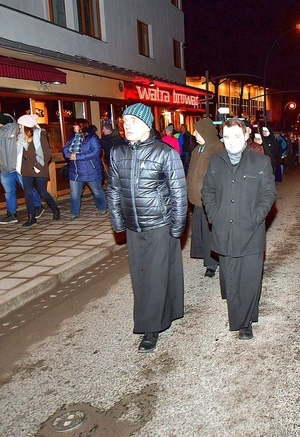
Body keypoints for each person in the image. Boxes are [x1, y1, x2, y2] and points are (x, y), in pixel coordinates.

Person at [107, 103, 187, 353]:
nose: (127, 125)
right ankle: (170, 309)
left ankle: (149, 328)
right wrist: (118, 222)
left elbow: (178, 193)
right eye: (125, 121)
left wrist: (177, 226)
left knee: (152, 276)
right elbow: (113, 189)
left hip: (159, 224)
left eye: (133, 121)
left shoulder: (165, 152)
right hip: (133, 224)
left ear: (146, 124)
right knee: (141, 274)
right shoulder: (117, 152)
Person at [202, 118, 277, 340]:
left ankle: (245, 322)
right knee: (231, 275)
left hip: (251, 230)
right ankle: (241, 314)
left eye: (236, 136)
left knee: (250, 277)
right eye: (226, 137)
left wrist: (256, 217)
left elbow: (269, 193)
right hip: (224, 228)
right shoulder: (215, 162)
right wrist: (214, 214)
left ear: (246, 136)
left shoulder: (260, 162)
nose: (231, 141)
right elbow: (207, 191)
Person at [0, 109, 44, 224]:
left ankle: (38, 206)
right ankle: (11, 213)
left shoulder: (17, 127)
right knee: (8, 192)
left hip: (19, 166)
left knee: (27, 188)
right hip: (5, 168)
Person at [187, 118, 224, 278]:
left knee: (210, 232)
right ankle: (207, 257)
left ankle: (212, 263)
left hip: (210, 200)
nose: (194, 133)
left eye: (197, 130)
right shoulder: (198, 150)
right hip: (197, 200)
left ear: (205, 132)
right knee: (201, 231)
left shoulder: (217, 149)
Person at [16, 114, 60, 227]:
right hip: (26, 169)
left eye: (21, 125)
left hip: (39, 168)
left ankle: (55, 209)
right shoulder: (20, 138)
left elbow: (46, 155)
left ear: (26, 126)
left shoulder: (40, 136)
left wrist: (38, 166)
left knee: (43, 192)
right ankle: (31, 217)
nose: (19, 127)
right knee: (28, 193)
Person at [62, 119, 108, 220]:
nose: (73, 127)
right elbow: (65, 149)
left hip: (90, 170)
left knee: (96, 191)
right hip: (75, 171)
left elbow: (96, 152)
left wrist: (78, 157)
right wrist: (69, 154)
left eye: (76, 125)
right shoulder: (72, 138)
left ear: (81, 126)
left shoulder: (92, 138)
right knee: (74, 193)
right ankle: (74, 213)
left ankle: (102, 207)